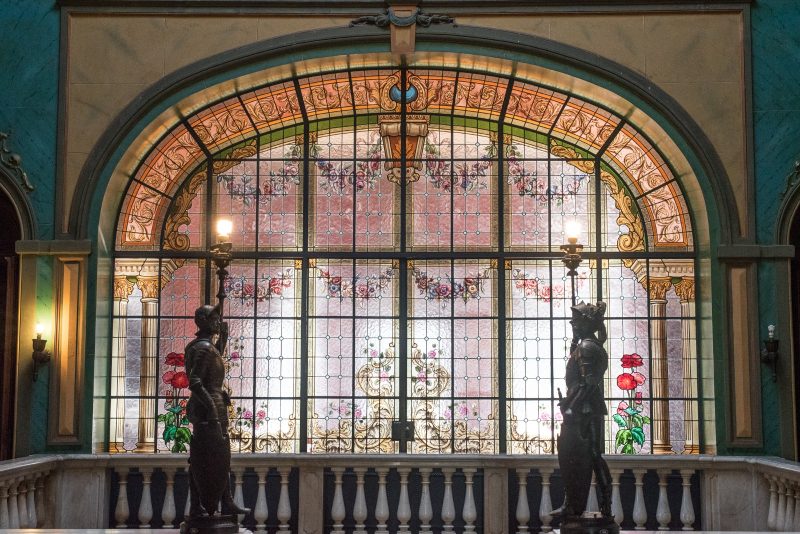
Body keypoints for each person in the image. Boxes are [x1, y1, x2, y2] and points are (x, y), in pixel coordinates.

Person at [552, 301, 614, 530]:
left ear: (586, 323)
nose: (573, 324)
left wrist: (571, 406)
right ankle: (572, 504)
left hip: (586, 410)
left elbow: (588, 384)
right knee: (576, 457)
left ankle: (604, 504)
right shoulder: (586, 345)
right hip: (581, 408)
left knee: (592, 456)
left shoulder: (588, 347)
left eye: (576, 321)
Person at [184, 304, 249, 519]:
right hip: (208, 410)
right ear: (203, 321)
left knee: (221, 456)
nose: (217, 323)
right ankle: (200, 505)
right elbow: (195, 382)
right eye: (214, 319)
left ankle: (226, 500)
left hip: (214, 405)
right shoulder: (202, 348)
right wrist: (212, 407)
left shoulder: (204, 346)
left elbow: (214, 359)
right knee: (205, 458)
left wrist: (224, 337)